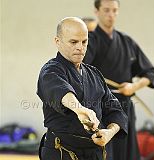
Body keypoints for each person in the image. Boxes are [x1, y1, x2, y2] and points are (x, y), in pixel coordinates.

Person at [37, 17, 128, 160]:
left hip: (95, 153)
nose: (80, 47)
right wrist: (79, 109)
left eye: (84, 42)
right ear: (57, 42)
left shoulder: (94, 74)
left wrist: (109, 133)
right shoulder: (51, 71)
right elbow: (60, 90)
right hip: (62, 151)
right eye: (73, 42)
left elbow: (116, 110)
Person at [83, 0, 154, 160]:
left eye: (114, 10)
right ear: (97, 12)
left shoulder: (127, 42)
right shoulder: (89, 42)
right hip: (100, 110)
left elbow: (149, 72)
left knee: (127, 154)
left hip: (125, 107)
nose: (111, 15)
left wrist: (134, 86)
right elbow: (79, 71)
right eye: (106, 10)